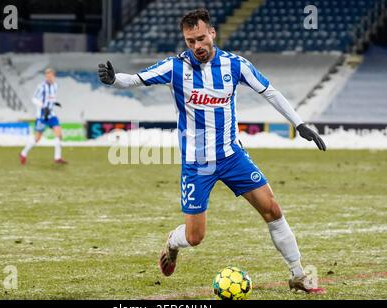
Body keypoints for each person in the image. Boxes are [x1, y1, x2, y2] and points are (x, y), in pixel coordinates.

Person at [98, 9, 326, 293]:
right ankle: (173, 241)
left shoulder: (235, 65)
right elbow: (134, 79)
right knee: (195, 237)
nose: (197, 46)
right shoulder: (175, 68)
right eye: (190, 41)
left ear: (213, 33)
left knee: (273, 210)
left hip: (232, 157)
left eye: (201, 38)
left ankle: (298, 274)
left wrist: (299, 124)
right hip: (197, 164)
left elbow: (270, 92)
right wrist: (112, 79)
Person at [20, 68, 67, 165]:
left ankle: (57, 157)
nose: (49, 77)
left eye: (51, 75)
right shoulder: (41, 86)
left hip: (51, 115)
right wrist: (42, 106)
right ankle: (23, 153)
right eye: (47, 75)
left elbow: (51, 98)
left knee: (59, 134)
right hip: (42, 116)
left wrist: (54, 103)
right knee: (37, 138)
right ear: (46, 76)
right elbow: (34, 99)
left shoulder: (55, 86)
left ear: (54, 76)